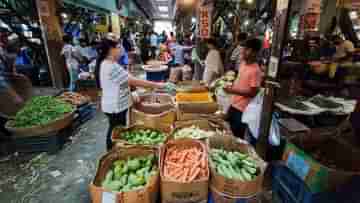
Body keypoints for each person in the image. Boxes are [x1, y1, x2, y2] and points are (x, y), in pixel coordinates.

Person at [94, 33, 166, 150]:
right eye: (118, 47)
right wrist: (157, 85)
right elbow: (132, 80)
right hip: (115, 106)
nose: (121, 50)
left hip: (113, 105)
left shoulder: (108, 63)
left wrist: (134, 92)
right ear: (111, 50)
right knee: (115, 131)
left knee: (116, 129)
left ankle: (115, 149)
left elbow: (125, 79)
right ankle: (112, 151)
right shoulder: (110, 66)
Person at [224, 38, 263, 142]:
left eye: (247, 49)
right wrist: (232, 86)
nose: (243, 52)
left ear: (255, 52)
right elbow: (239, 80)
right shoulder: (242, 64)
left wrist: (233, 91)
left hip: (243, 110)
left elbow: (253, 92)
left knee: (237, 137)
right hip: (233, 104)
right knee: (227, 130)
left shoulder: (256, 71)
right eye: (244, 49)